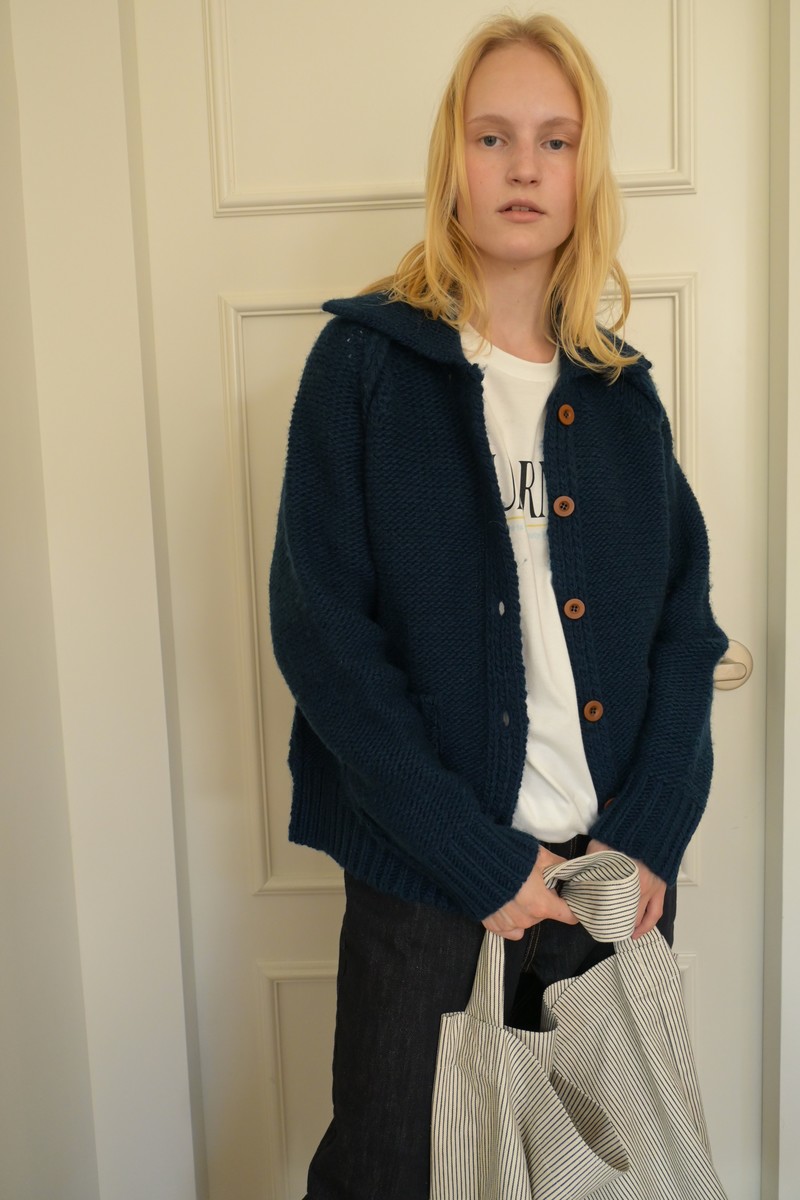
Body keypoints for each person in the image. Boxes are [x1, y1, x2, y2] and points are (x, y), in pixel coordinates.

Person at [269, 12, 727, 1200]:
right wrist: (472, 858)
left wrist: (649, 834)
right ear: (452, 162)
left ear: (583, 172)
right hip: (426, 887)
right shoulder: (363, 369)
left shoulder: (619, 397)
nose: (523, 166)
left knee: (599, 1176)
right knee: (394, 1170)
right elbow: (324, 637)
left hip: (602, 885)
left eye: (553, 140)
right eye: (492, 137)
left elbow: (684, 628)